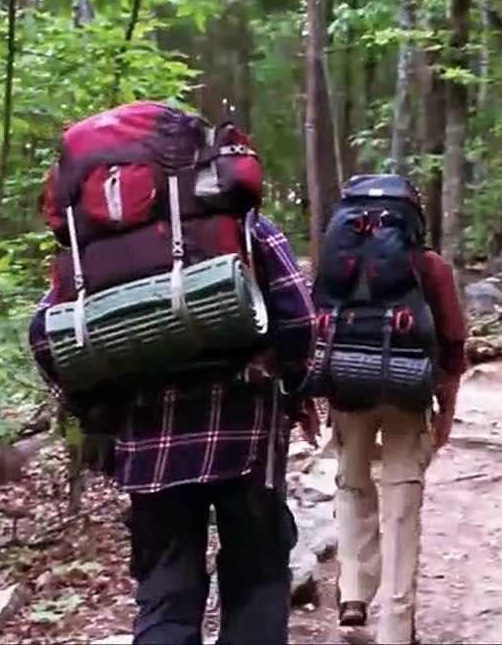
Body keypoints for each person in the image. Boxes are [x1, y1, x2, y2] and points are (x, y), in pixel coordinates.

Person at [28, 102, 319, 645]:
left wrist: (96, 409)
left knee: (165, 596)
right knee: (256, 579)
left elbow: (46, 339)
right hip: (247, 434)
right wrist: (298, 389)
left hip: (147, 451)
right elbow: (298, 317)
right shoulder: (238, 223)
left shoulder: (93, 257)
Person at [310, 175, 469, 645]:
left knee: (351, 482)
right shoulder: (429, 267)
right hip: (409, 391)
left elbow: (312, 324)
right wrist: (446, 409)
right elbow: (453, 343)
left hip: (347, 389)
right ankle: (396, 629)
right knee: (402, 503)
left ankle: (354, 590)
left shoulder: (333, 266)